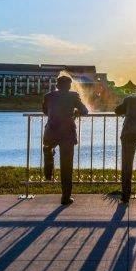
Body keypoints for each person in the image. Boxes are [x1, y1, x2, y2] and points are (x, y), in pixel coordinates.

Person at [42, 75, 89, 205]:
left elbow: (45, 111)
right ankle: (65, 197)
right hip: (67, 133)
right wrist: (75, 113)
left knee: (49, 147)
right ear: (69, 86)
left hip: (51, 131)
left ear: (57, 85)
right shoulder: (73, 95)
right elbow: (85, 110)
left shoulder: (48, 96)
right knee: (66, 166)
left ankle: (48, 155)